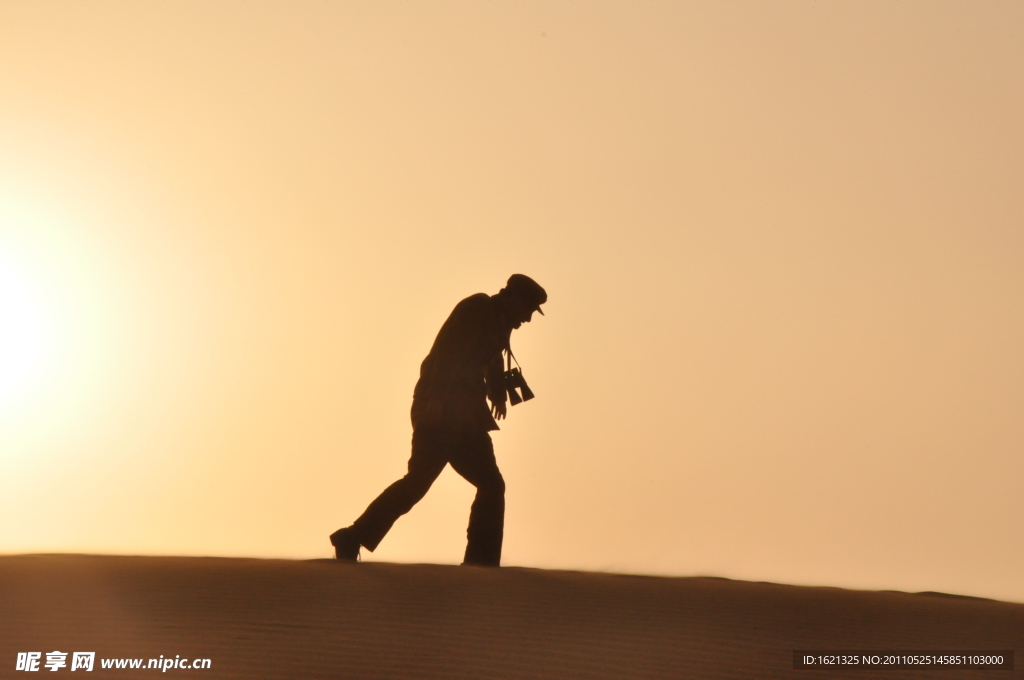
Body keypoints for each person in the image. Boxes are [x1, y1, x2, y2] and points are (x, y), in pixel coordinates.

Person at [330, 274, 547, 567]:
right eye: (529, 309)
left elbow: (491, 359)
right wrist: (435, 401)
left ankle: (481, 562)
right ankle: (351, 537)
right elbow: (447, 352)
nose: (528, 319)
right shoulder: (478, 307)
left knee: (492, 485)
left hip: (468, 416)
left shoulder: (500, 322)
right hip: (442, 411)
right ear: (514, 298)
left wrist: (496, 392)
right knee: (417, 483)